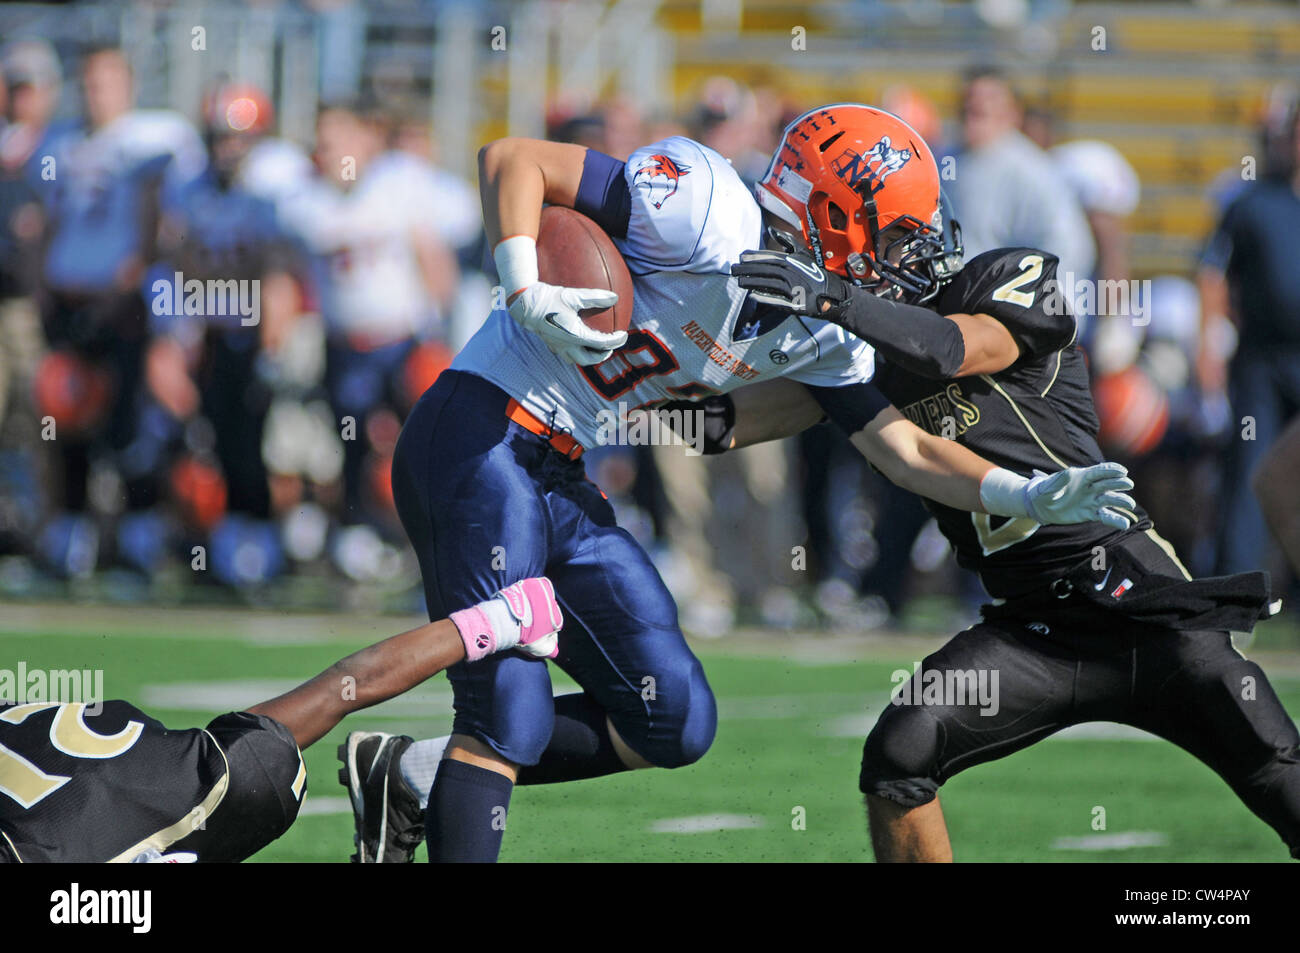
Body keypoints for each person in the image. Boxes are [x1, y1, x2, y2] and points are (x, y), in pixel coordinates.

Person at [342, 103, 1136, 863]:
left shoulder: (829, 330)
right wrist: (522, 282)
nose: (910, 254)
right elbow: (512, 158)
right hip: (478, 431)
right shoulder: (706, 207)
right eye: (896, 232)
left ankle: (407, 774)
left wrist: (1020, 494)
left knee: (671, 717)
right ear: (832, 212)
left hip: (559, 466)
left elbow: (911, 454)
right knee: (506, 711)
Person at [729, 108, 1297, 862]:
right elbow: (733, 421)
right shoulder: (857, 356)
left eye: (810, 232)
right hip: (1033, 629)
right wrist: (614, 392)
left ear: (854, 227)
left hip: (1139, 604)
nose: (801, 250)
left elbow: (948, 348)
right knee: (903, 750)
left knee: (1278, 771)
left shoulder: (1012, 279)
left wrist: (830, 300)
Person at [0, 577, 562, 863]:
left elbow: (347, 687)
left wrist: (500, 617)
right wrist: (497, 620)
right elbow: (346, 686)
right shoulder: (184, 775)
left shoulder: (204, 783)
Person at [1197, 97, 1300, 577]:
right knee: (1251, 470)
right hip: (1263, 359)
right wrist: (1209, 347)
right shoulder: (1253, 201)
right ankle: (1236, 588)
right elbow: (1214, 276)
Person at [947, 66, 1094, 291]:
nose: (976, 103)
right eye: (970, 97)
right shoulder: (945, 159)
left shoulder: (1033, 170)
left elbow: (1068, 248)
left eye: (989, 98)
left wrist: (1033, 310)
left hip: (1001, 309)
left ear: (1013, 112)